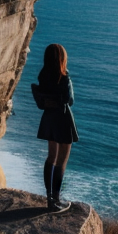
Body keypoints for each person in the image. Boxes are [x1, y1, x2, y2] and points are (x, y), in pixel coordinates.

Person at [36, 43, 79, 212]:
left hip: (48, 118)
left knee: (50, 157)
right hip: (62, 119)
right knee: (61, 161)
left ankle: (49, 199)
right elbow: (70, 100)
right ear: (62, 59)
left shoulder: (43, 76)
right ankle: (56, 200)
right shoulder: (64, 77)